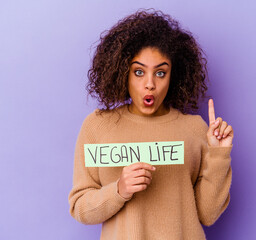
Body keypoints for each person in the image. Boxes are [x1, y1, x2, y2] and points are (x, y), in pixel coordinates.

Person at [68, 9, 234, 239]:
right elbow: (80, 207)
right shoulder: (97, 127)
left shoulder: (195, 129)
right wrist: (119, 190)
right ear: (122, 72)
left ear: (173, 76)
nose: (149, 84)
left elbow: (208, 215)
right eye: (139, 72)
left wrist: (219, 154)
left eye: (160, 73)